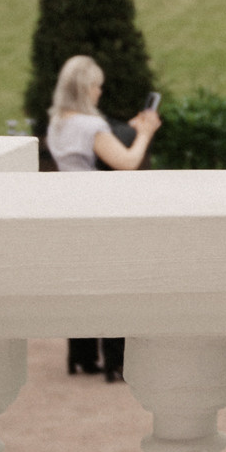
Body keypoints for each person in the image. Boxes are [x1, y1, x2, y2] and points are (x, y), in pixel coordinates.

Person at [45, 55, 161, 384]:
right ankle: (116, 360)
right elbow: (126, 161)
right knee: (113, 284)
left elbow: (102, 143)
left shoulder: (59, 123)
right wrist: (146, 133)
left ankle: (81, 356)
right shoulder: (90, 126)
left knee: (81, 285)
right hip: (98, 213)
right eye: (96, 86)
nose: (99, 92)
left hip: (70, 212)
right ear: (85, 89)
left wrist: (129, 128)